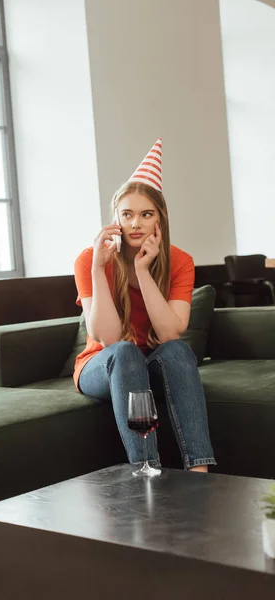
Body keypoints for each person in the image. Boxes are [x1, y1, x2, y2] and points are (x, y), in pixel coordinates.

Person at [73, 139, 216, 473]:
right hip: (102, 365)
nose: (135, 223)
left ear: (159, 221)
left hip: (151, 359)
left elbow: (169, 333)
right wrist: (97, 268)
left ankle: (200, 474)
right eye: (127, 214)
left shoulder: (180, 261)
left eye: (145, 214)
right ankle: (146, 471)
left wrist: (142, 270)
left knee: (180, 351)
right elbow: (108, 339)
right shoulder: (89, 261)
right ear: (116, 220)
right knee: (124, 352)